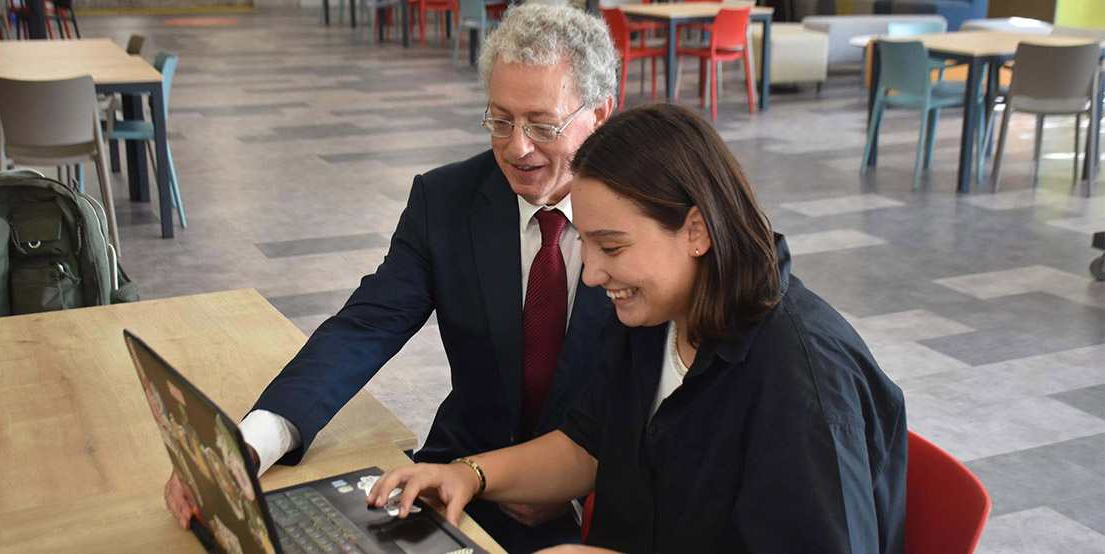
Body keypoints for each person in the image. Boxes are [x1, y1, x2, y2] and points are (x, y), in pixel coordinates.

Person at [163, 4, 619, 552]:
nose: (517, 147)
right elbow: (365, 327)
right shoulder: (446, 200)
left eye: (542, 125)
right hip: (455, 480)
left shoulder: (645, 223)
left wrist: (577, 480)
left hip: (596, 505)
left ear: (601, 114)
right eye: (500, 120)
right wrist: (249, 444)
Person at [366, 103, 908, 553]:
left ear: (695, 230)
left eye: (612, 246)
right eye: (588, 243)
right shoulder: (655, 311)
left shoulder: (803, 382)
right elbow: (589, 445)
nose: (593, 273)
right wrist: (467, 475)